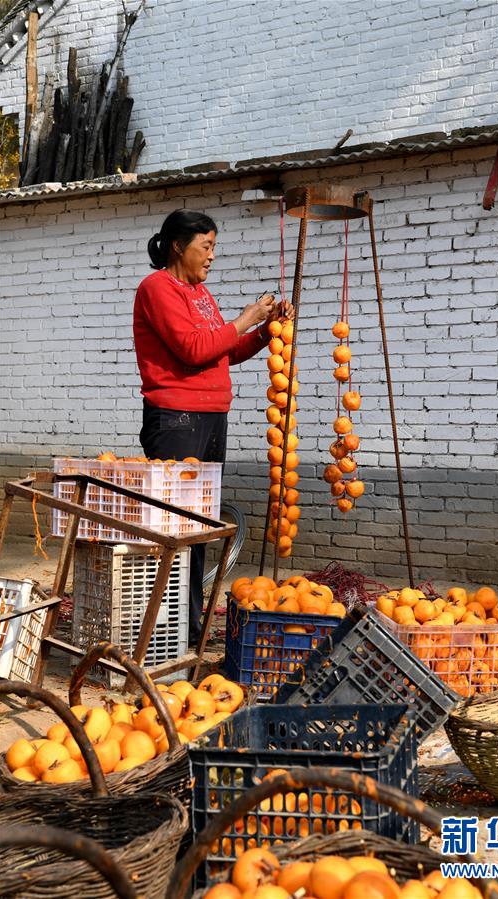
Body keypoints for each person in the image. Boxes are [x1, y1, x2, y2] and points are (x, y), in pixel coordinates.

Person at [133, 209, 292, 645]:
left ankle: (189, 624)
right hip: (176, 418)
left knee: (199, 524)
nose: (212, 256)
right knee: (174, 526)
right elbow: (192, 349)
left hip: (210, 416)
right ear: (178, 247)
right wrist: (245, 317)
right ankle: (163, 628)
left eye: (214, 246)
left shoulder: (200, 294)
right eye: (206, 246)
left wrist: (265, 331)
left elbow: (223, 351)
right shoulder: (157, 289)